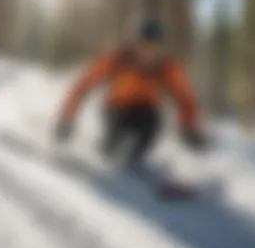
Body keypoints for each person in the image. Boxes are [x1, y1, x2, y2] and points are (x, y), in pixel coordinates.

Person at [54, 18, 207, 168]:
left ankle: (135, 160)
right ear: (135, 43)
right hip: (116, 108)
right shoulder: (119, 59)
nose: (148, 52)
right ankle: (107, 153)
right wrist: (66, 119)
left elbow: (185, 97)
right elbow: (83, 85)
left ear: (161, 48)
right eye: (144, 44)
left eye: (154, 46)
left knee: (152, 124)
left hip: (146, 111)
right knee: (112, 145)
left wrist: (190, 127)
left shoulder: (166, 67)